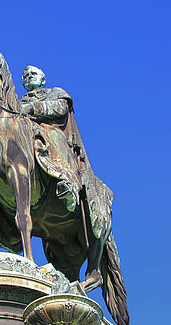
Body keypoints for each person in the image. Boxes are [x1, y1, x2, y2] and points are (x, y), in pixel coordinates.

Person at [20, 65, 113, 238]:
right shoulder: (18, 102)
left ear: (43, 80)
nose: (29, 77)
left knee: (54, 137)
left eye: (33, 74)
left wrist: (33, 109)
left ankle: (68, 183)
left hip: (51, 131)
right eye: (26, 75)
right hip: (26, 131)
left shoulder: (55, 92)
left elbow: (60, 108)